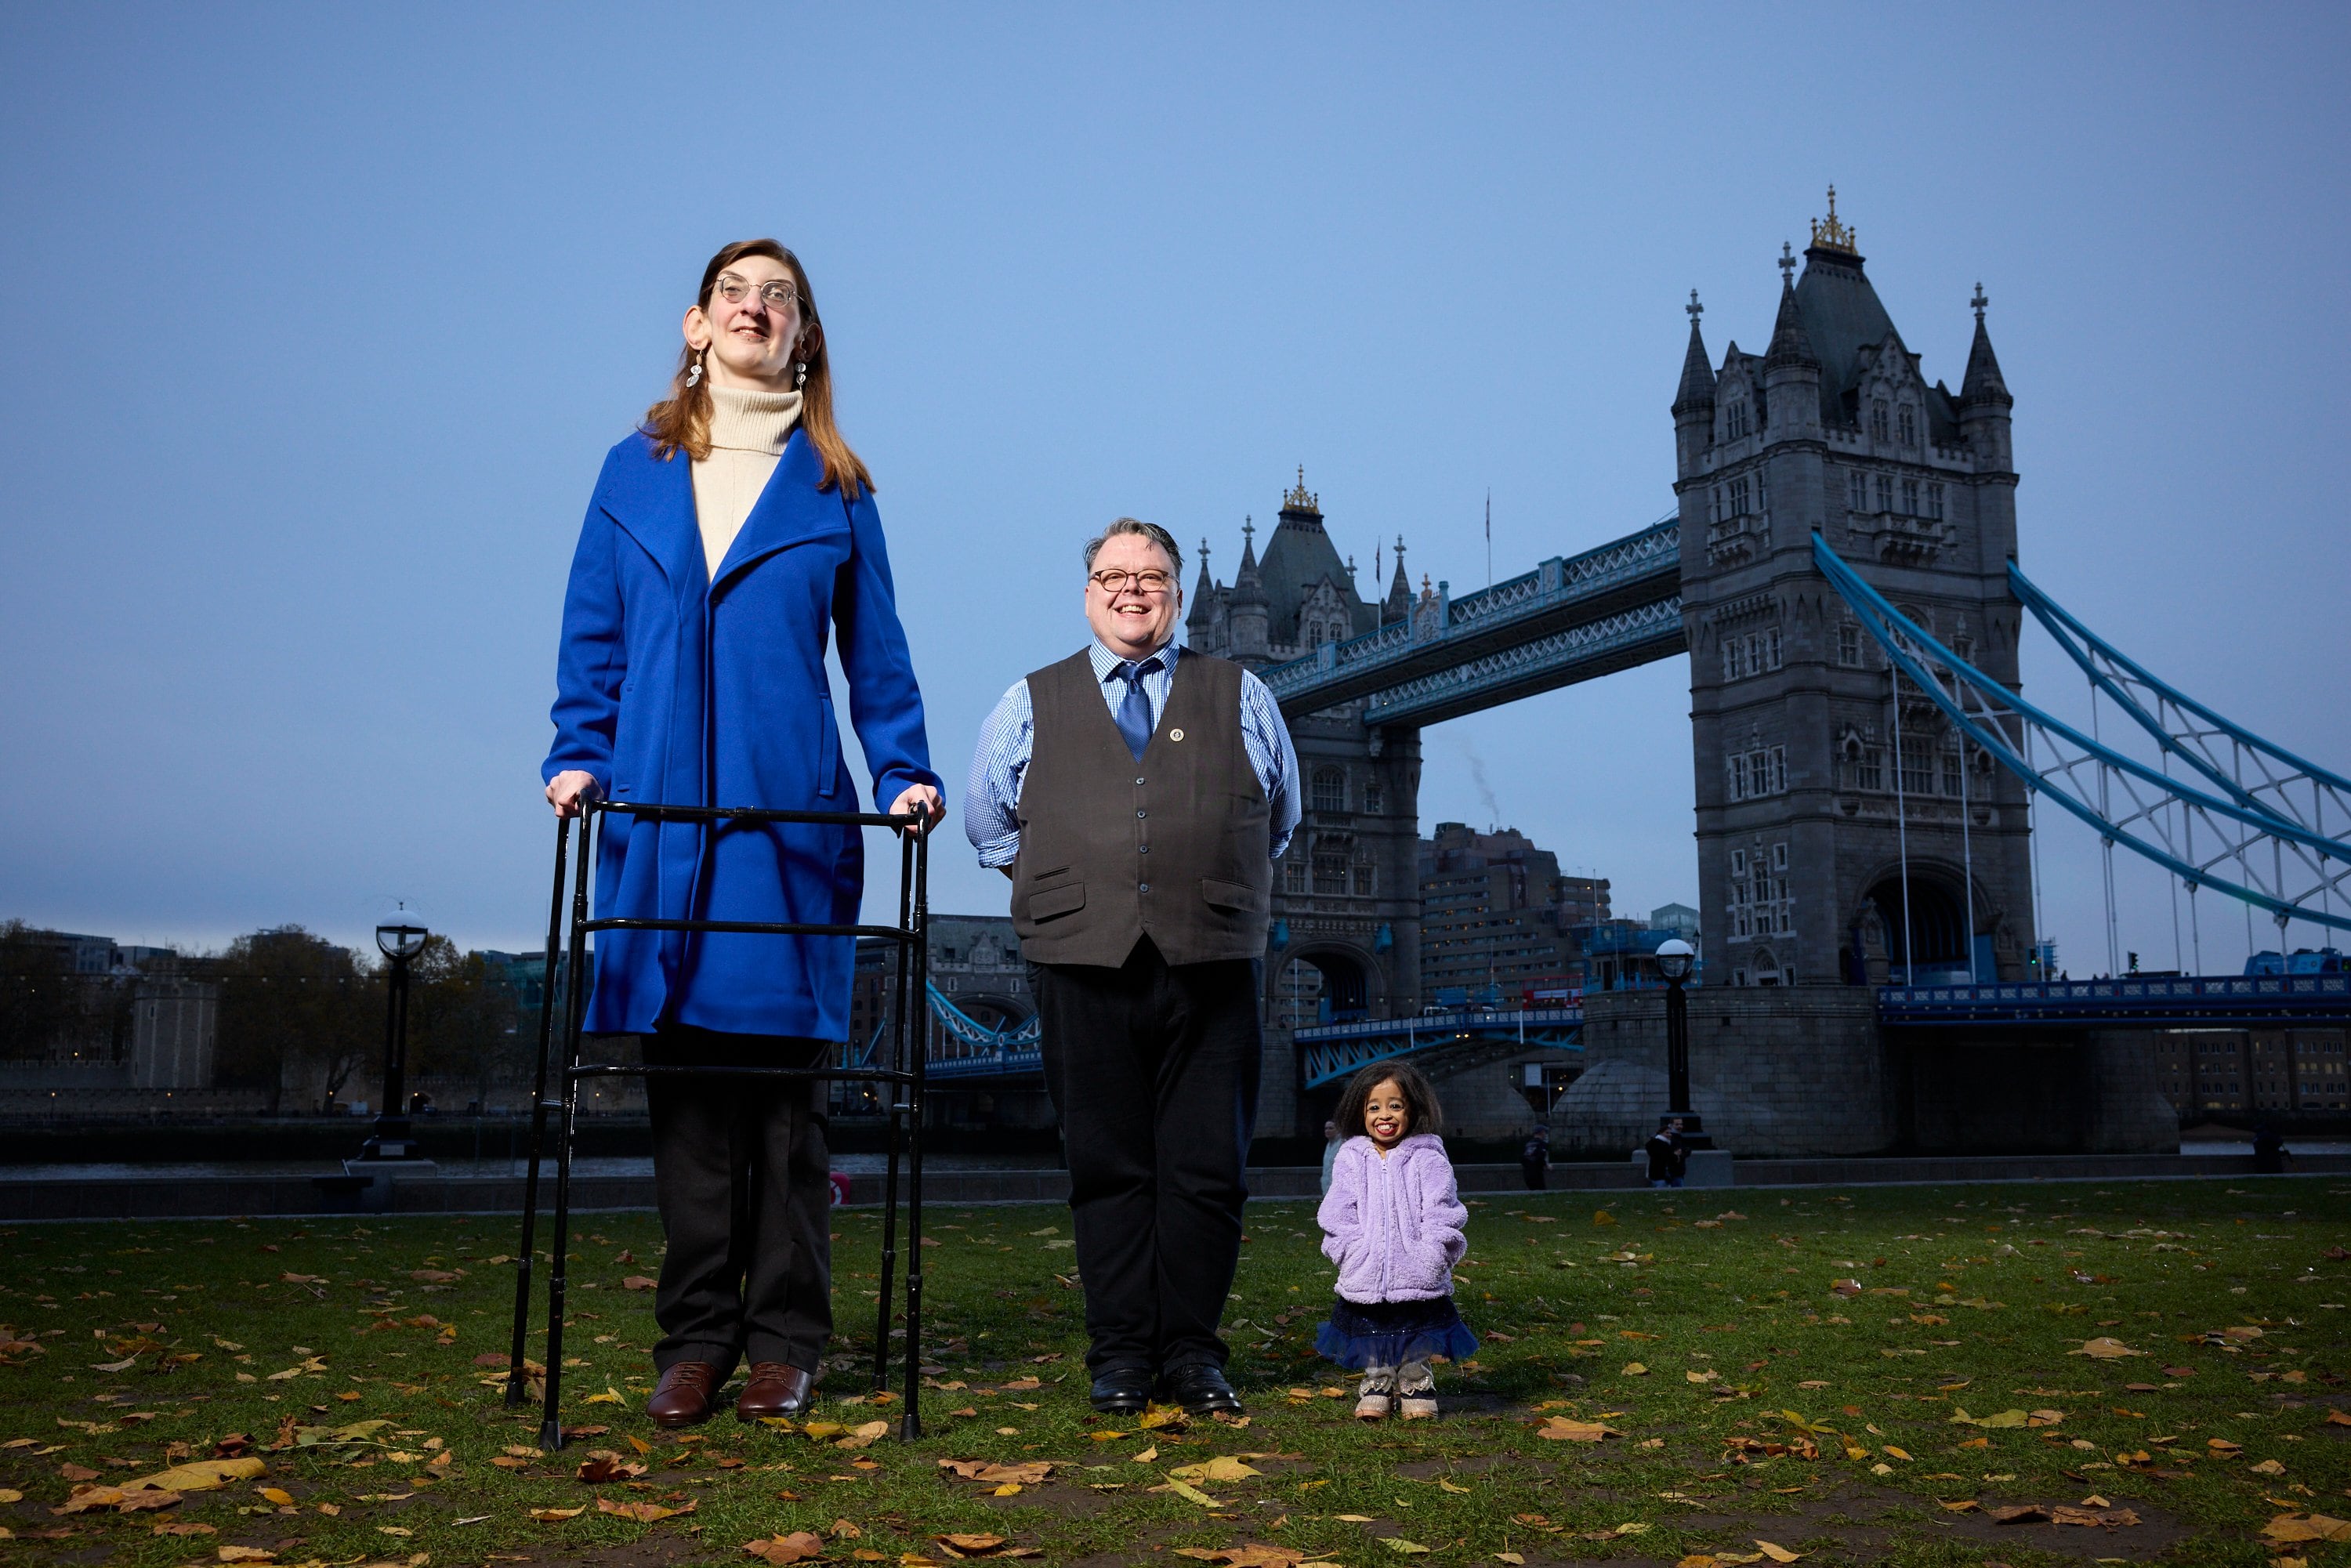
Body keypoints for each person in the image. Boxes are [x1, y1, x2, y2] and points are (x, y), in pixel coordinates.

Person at [543, 239, 943, 1429]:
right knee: (689, 1111)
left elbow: (877, 654)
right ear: (697, 324)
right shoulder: (632, 471)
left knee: (784, 1108)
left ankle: (785, 1341)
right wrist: (578, 748)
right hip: (662, 826)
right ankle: (696, 1340)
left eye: (782, 297)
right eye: (738, 293)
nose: (758, 308)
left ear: (804, 336)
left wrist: (905, 767)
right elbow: (593, 633)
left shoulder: (837, 486)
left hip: (785, 827)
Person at [965, 517, 1300, 1417]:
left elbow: (1280, 819)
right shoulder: (1028, 701)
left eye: (1151, 575)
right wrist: (1085, 880)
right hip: (1080, 965)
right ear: (1088, 594)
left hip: (1214, 962)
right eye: (1113, 575)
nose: (1132, 589)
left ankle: (1194, 1356)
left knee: (1207, 1170)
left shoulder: (1242, 694)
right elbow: (990, 826)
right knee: (1108, 1169)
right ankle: (1118, 1358)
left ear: (1177, 594)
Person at [1314, 1062, 1476, 1421]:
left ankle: (1416, 1381)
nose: (1384, 1115)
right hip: (1366, 1269)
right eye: (1374, 1106)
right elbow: (1336, 1212)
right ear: (1359, 1110)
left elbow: (1444, 1211)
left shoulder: (1428, 1157)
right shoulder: (1351, 1157)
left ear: (1413, 1109)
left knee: (1413, 1332)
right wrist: (1350, 1250)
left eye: (1395, 1105)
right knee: (1372, 1332)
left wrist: (1433, 1255)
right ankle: (1376, 1383)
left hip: (1416, 1269)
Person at [1646, 1117, 1688, 1189]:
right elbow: (1665, 1158)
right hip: (1663, 1175)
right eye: (1667, 1133)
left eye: (1681, 1124)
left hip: (1662, 1175)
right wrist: (1676, 1156)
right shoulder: (1663, 1144)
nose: (1669, 1135)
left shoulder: (1657, 1143)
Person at [1520, 1122, 1550, 1190]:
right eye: (1545, 1132)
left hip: (1526, 1173)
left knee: (1533, 1191)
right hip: (1536, 1173)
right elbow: (1540, 1157)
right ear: (1542, 1132)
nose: (1545, 1134)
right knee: (1542, 1191)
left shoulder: (1528, 1144)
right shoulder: (1542, 1144)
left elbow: (1522, 1158)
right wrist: (1546, 1165)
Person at [1320, 1118, 1342, 1195]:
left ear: (1338, 1130)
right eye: (1326, 1128)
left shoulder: (1342, 1144)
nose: (1327, 1131)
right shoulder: (1329, 1145)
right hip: (1327, 1186)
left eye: (1331, 1128)